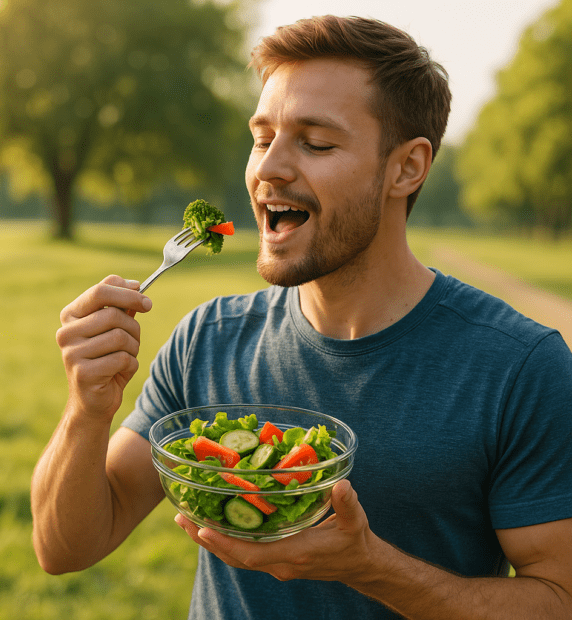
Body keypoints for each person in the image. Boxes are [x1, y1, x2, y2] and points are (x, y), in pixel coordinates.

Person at [31, 15, 572, 620]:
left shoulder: (520, 368)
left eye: (315, 143)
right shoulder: (206, 340)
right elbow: (64, 547)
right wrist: (86, 407)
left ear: (407, 168)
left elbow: (558, 597)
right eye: (263, 138)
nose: (267, 170)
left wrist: (370, 567)